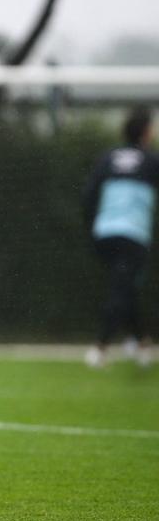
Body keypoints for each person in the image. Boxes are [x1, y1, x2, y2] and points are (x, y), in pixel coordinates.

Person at [82, 106, 158, 368]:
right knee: (121, 290)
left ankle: (140, 342)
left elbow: (89, 195)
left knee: (126, 288)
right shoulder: (150, 161)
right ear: (146, 133)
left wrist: (92, 225)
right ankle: (100, 348)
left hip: (105, 234)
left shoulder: (108, 158)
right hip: (133, 235)